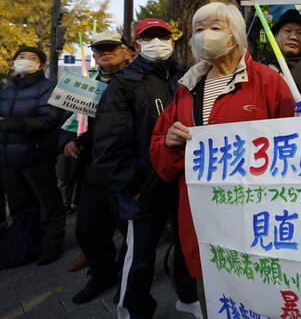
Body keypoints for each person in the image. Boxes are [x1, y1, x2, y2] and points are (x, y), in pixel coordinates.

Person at [150, 2, 295, 318]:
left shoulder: (268, 82)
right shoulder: (186, 89)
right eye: (198, 30)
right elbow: (162, 161)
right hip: (203, 218)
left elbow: (295, 148)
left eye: (215, 28)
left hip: (258, 216)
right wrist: (171, 144)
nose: (205, 36)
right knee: (214, 297)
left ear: (237, 34)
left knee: (263, 295)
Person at [92, 19, 199, 319]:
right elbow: (108, 144)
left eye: (162, 36)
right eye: (148, 37)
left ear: (172, 41)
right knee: (139, 255)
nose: (157, 42)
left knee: (186, 245)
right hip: (143, 186)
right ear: (137, 46)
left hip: (183, 181)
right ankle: (132, 309)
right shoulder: (124, 83)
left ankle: (188, 296)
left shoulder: (188, 77)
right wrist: (133, 187)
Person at [59, 31, 130, 303]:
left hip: (125, 170)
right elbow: (67, 123)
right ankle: (102, 274)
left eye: (110, 47)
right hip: (91, 170)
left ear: (126, 51)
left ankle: (128, 279)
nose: (104, 53)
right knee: (88, 228)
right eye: (99, 49)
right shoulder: (82, 84)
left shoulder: (137, 81)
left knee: (129, 230)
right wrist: (67, 142)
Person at [0, 46, 65, 265]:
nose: (26, 60)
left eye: (32, 57)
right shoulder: (7, 90)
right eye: (21, 57)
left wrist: (15, 124)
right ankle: (25, 246)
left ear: (42, 65)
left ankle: (51, 246)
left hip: (37, 157)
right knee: (20, 207)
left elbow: (49, 119)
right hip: (8, 160)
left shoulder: (48, 88)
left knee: (48, 204)